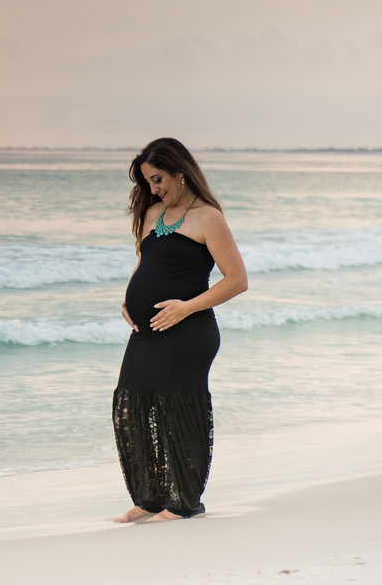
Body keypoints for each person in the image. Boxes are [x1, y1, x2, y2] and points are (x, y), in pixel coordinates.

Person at [113, 138, 247, 523]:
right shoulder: (152, 212)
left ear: (180, 172)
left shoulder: (208, 217)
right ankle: (150, 498)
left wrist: (185, 307)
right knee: (131, 406)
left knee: (179, 412)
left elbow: (237, 280)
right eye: (148, 182)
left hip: (189, 331)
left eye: (158, 179)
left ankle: (182, 501)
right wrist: (130, 299)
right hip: (147, 333)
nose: (154, 189)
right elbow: (146, 264)